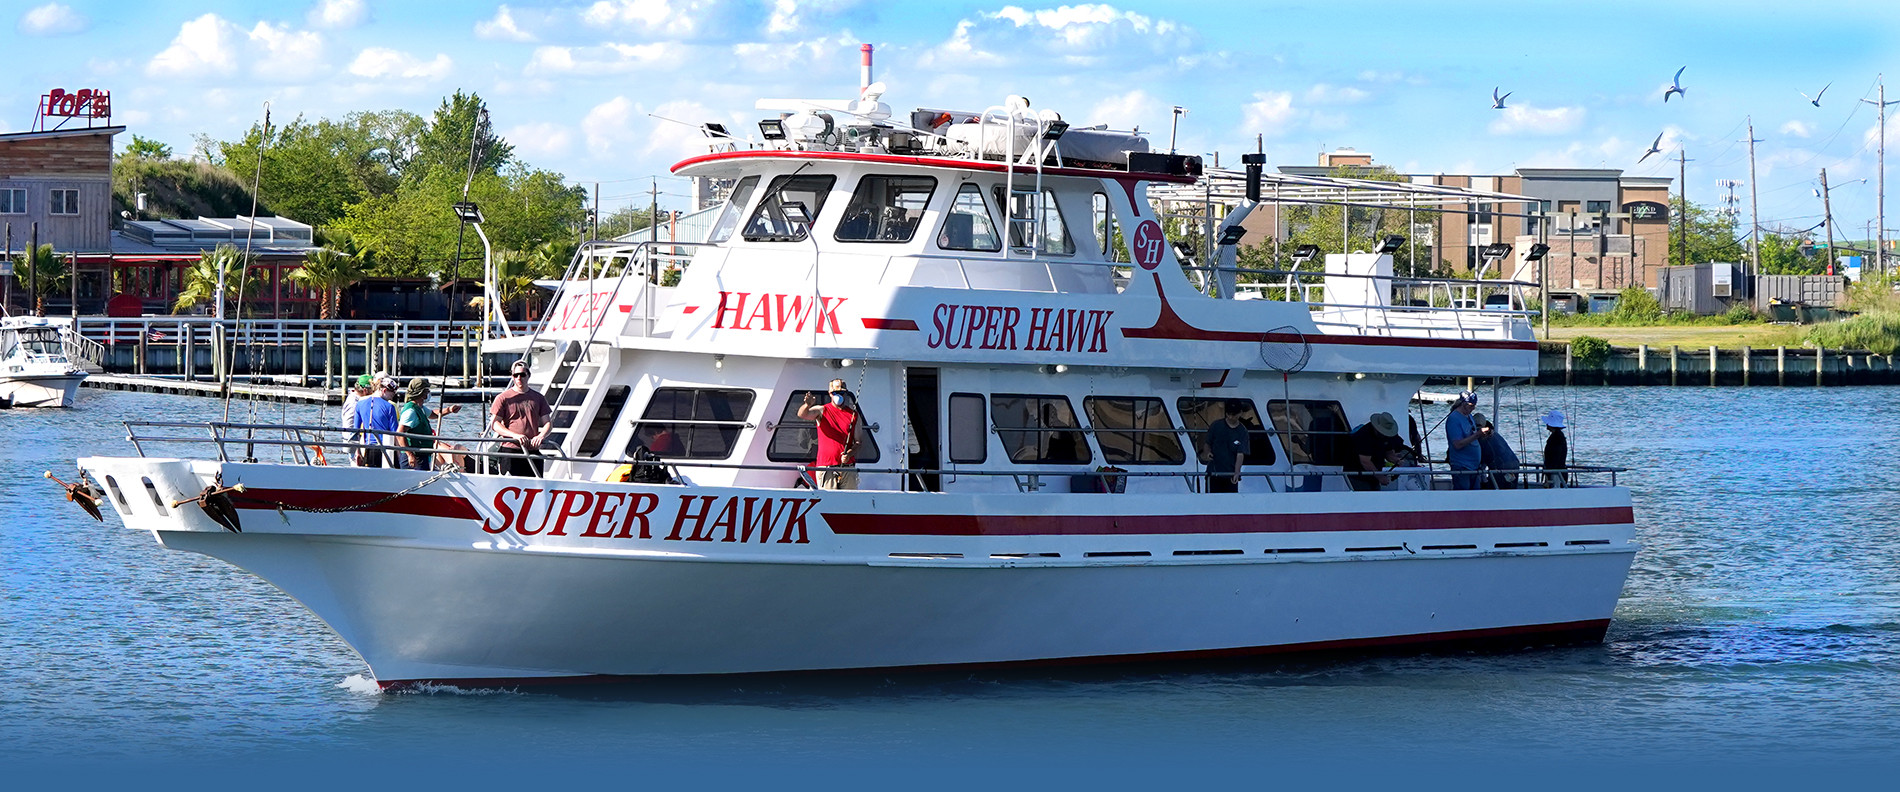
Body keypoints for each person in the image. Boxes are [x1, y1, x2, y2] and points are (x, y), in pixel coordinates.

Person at [490, 360, 552, 477]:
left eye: (522, 374)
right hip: (510, 450)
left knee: (536, 486)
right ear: (512, 376)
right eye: (515, 375)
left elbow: (547, 423)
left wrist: (540, 436)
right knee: (509, 485)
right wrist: (515, 435)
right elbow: (495, 424)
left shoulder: (539, 398)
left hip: (532, 450)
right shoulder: (503, 398)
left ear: (528, 375)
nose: (519, 378)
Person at [796, 378, 861, 490]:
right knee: (828, 501)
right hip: (826, 467)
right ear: (830, 394)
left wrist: (849, 454)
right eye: (835, 393)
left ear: (845, 394)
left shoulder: (854, 415)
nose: (838, 395)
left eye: (841, 392)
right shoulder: (822, 410)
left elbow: (859, 442)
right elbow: (803, 414)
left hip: (848, 467)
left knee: (849, 502)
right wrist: (807, 405)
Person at [399, 378, 461, 471]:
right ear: (422, 393)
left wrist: (449, 410)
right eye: (427, 391)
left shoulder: (420, 408)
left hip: (422, 455)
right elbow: (400, 434)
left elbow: (433, 414)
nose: (428, 393)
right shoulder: (411, 411)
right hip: (415, 458)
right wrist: (410, 455)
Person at [1343, 412, 1403, 491]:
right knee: (1365, 497)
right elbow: (1365, 461)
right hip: (1357, 474)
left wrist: (1396, 460)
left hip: (1375, 473)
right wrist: (1380, 477)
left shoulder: (1389, 435)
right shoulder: (1363, 436)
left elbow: (1389, 453)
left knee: (1376, 495)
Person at [1202, 400, 1250, 493]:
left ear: (1240, 413)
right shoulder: (1216, 426)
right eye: (1228, 414)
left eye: (1234, 414)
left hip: (1230, 475)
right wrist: (1207, 453)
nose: (1230, 417)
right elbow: (1207, 443)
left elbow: (1240, 454)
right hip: (1213, 473)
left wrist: (1237, 472)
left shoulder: (1242, 431)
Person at [352, 376, 400, 468]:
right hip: (386, 449)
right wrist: (399, 456)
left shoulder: (360, 404)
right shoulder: (390, 407)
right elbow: (395, 434)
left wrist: (358, 452)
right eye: (392, 394)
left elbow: (356, 431)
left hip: (368, 449)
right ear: (384, 390)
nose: (392, 397)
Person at [1445, 392, 1485, 490]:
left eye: (1475, 406)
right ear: (1463, 404)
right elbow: (1457, 444)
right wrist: (1477, 435)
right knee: (1463, 497)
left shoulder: (1469, 416)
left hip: (1474, 466)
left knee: (1475, 497)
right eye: (1471, 406)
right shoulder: (1454, 419)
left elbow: (1472, 434)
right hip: (1462, 466)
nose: (1473, 409)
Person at [1472, 412, 1521, 489]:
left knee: (1494, 491)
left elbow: (1479, 460)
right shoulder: (1494, 434)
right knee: (1510, 490)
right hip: (1514, 463)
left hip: (1501, 466)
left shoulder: (1479, 436)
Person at [1542, 409, 1570, 488]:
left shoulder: (1557, 438)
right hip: (1557, 471)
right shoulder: (1558, 436)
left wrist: (1549, 473)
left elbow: (1555, 458)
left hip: (1556, 473)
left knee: (1555, 489)